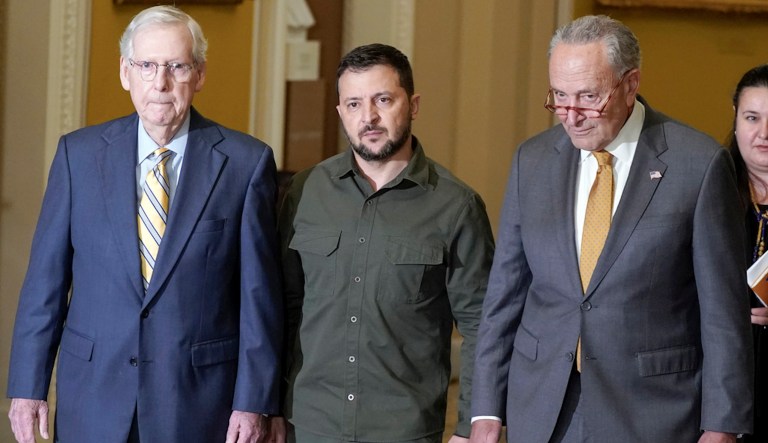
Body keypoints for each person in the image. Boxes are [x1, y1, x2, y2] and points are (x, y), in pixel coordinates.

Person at [469, 15, 753, 443]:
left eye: (588, 97)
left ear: (630, 83)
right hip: (543, 408)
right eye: (559, 97)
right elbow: (504, 297)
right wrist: (485, 410)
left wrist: (722, 425)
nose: (571, 116)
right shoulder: (533, 160)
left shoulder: (698, 164)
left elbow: (722, 314)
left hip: (652, 410)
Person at [6, 6, 282, 443]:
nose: (160, 82)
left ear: (200, 74)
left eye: (176, 66)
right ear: (124, 72)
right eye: (147, 65)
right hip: (92, 397)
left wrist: (254, 402)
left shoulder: (246, 164)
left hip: (197, 403)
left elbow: (258, 297)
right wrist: (27, 388)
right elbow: (45, 284)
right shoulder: (77, 156)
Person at [273, 43, 494, 443]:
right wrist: (268, 408)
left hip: (404, 431)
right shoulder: (305, 192)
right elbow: (281, 310)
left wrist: (472, 427)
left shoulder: (456, 206)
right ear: (340, 113)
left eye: (383, 100)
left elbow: (483, 326)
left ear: (413, 105)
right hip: (307, 426)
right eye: (354, 104)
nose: (368, 117)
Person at [726, 64, 768, 443]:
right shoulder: (709, 187)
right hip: (719, 378)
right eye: (752, 118)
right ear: (736, 119)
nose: (764, 134)